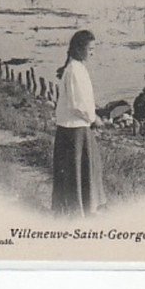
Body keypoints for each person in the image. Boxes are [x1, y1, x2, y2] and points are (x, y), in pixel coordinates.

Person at [52, 30, 107, 216]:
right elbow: (77, 104)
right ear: (79, 49)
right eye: (90, 49)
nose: (93, 52)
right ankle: (77, 211)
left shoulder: (78, 68)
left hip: (77, 126)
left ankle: (81, 209)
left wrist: (92, 113)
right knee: (76, 172)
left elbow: (82, 101)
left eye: (94, 49)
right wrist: (94, 119)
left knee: (82, 170)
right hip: (74, 129)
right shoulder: (74, 70)